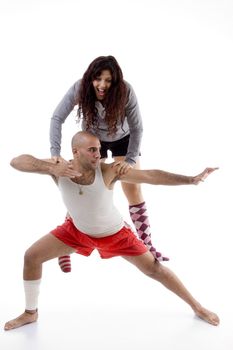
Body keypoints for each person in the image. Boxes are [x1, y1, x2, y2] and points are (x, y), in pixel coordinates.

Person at [4, 131, 219, 331]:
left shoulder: (108, 171)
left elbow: (151, 176)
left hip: (115, 233)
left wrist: (190, 180)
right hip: (76, 231)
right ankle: (30, 313)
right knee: (31, 256)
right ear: (75, 152)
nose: (99, 154)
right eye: (93, 150)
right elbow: (16, 161)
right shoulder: (59, 168)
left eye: (99, 148)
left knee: (155, 269)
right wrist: (50, 167)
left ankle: (197, 307)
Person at [50, 55, 166, 273]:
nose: (102, 85)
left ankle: (147, 245)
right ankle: (64, 245)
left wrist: (130, 160)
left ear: (115, 82)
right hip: (93, 139)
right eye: (98, 79)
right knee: (81, 187)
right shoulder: (80, 88)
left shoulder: (126, 91)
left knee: (133, 189)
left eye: (108, 80)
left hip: (124, 138)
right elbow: (57, 117)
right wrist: (55, 153)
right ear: (90, 78)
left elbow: (138, 127)